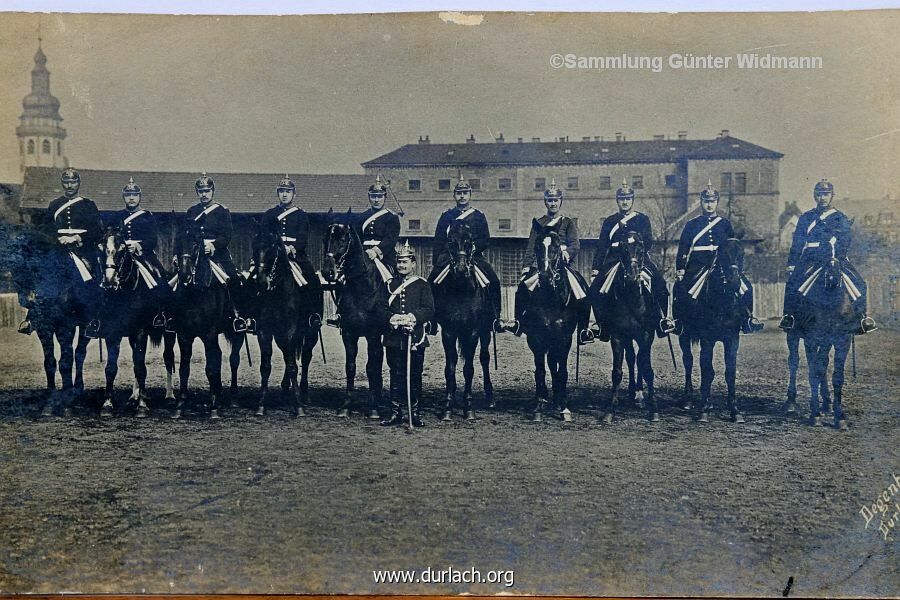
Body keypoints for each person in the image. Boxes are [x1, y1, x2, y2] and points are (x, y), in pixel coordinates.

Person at [779, 179, 876, 334]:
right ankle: (789, 316)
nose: (822, 198)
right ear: (814, 196)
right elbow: (797, 243)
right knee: (792, 283)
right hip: (811, 257)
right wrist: (792, 264)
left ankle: (863, 317)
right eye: (819, 194)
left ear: (832, 196)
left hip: (835, 257)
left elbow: (845, 242)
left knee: (860, 283)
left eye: (825, 194)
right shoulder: (806, 218)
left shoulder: (840, 218)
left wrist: (837, 257)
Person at [504, 179, 593, 344]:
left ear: (560, 202)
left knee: (583, 290)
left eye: (556, 200)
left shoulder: (567, 223)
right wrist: (526, 267)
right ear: (546, 202)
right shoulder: (539, 224)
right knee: (522, 288)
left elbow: (575, 244)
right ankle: (518, 323)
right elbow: (531, 247)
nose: (553, 204)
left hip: (564, 266)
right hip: (542, 266)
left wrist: (566, 253)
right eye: (550, 200)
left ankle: (584, 330)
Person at [673, 181, 760, 334]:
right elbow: (683, 248)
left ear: (717, 202)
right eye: (706, 201)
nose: (709, 205)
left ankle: (747, 319)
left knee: (746, 287)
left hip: (721, 265)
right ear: (701, 202)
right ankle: (679, 322)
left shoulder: (724, 224)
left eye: (712, 202)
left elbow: (733, 247)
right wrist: (680, 268)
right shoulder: (691, 224)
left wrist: (736, 268)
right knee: (680, 288)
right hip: (698, 265)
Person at [590, 179, 673, 341]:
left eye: (628, 199)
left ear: (632, 200)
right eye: (622, 199)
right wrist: (596, 268)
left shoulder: (642, 219)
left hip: (638, 259)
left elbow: (648, 241)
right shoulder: (609, 221)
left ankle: (663, 320)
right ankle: (600, 325)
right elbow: (602, 246)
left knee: (660, 284)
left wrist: (636, 255)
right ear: (617, 201)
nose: (625, 202)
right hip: (614, 260)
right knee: (595, 289)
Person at [175, 173, 252, 332]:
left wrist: (214, 245)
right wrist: (177, 253)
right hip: (195, 254)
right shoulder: (191, 211)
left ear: (212, 191)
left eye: (207, 191)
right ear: (197, 192)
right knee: (178, 281)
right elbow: (183, 236)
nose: (204, 194)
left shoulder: (222, 211)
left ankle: (239, 316)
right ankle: (172, 316)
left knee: (233, 279)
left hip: (217, 256)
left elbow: (227, 235)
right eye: (201, 191)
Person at [429, 174, 503, 332]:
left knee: (493, 280)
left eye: (465, 193)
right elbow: (438, 240)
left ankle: (495, 318)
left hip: (473, 256)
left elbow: (485, 239)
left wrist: (474, 249)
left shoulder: (478, 216)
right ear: (454, 195)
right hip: (450, 256)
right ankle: (432, 321)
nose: (462, 196)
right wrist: (437, 262)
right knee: (431, 281)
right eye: (458, 193)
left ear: (470, 194)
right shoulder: (446, 216)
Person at [378, 240, 434, 427]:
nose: (402, 266)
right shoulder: (388, 285)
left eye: (406, 262)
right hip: (393, 338)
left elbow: (429, 309)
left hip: (415, 338)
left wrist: (413, 317)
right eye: (399, 262)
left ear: (413, 264)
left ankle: (414, 413)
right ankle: (395, 412)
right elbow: (380, 308)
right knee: (395, 373)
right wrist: (391, 318)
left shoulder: (422, 285)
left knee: (415, 374)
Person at [43, 167, 104, 338]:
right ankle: (35, 316)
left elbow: (98, 231)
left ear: (79, 183)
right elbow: (45, 230)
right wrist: (57, 239)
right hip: (60, 251)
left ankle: (94, 319)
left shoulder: (88, 205)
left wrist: (78, 237)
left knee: (96, 279)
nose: (70, 185)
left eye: (73, 181)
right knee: (44, 276)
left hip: (84, 251)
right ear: (62, 183)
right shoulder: (54, 205)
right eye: (66, 181)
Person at [108, 177, 170, 326]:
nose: (131, 198)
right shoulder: (117, 216)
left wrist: (139, 246)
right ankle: (101, 317)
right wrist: (121, 246)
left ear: (139, 197)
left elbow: (152, 239)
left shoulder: (147, 216)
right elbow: (110, 235)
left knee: (160, 276)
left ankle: (162, 314)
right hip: (122, 255)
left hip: (143, 255)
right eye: (128, 195)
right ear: (124, 197)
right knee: (107, 277)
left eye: (134, 195)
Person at [355, 174, 400, 281]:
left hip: (384, 255)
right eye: (373, 196)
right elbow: (357, 238)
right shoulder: (361, 217)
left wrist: (376, 251)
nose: (376, 200)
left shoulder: (392, 217)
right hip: (362, 253)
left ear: (385, 198)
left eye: (380, 196)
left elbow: (391, 239)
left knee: (392, 278)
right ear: (369, 197)